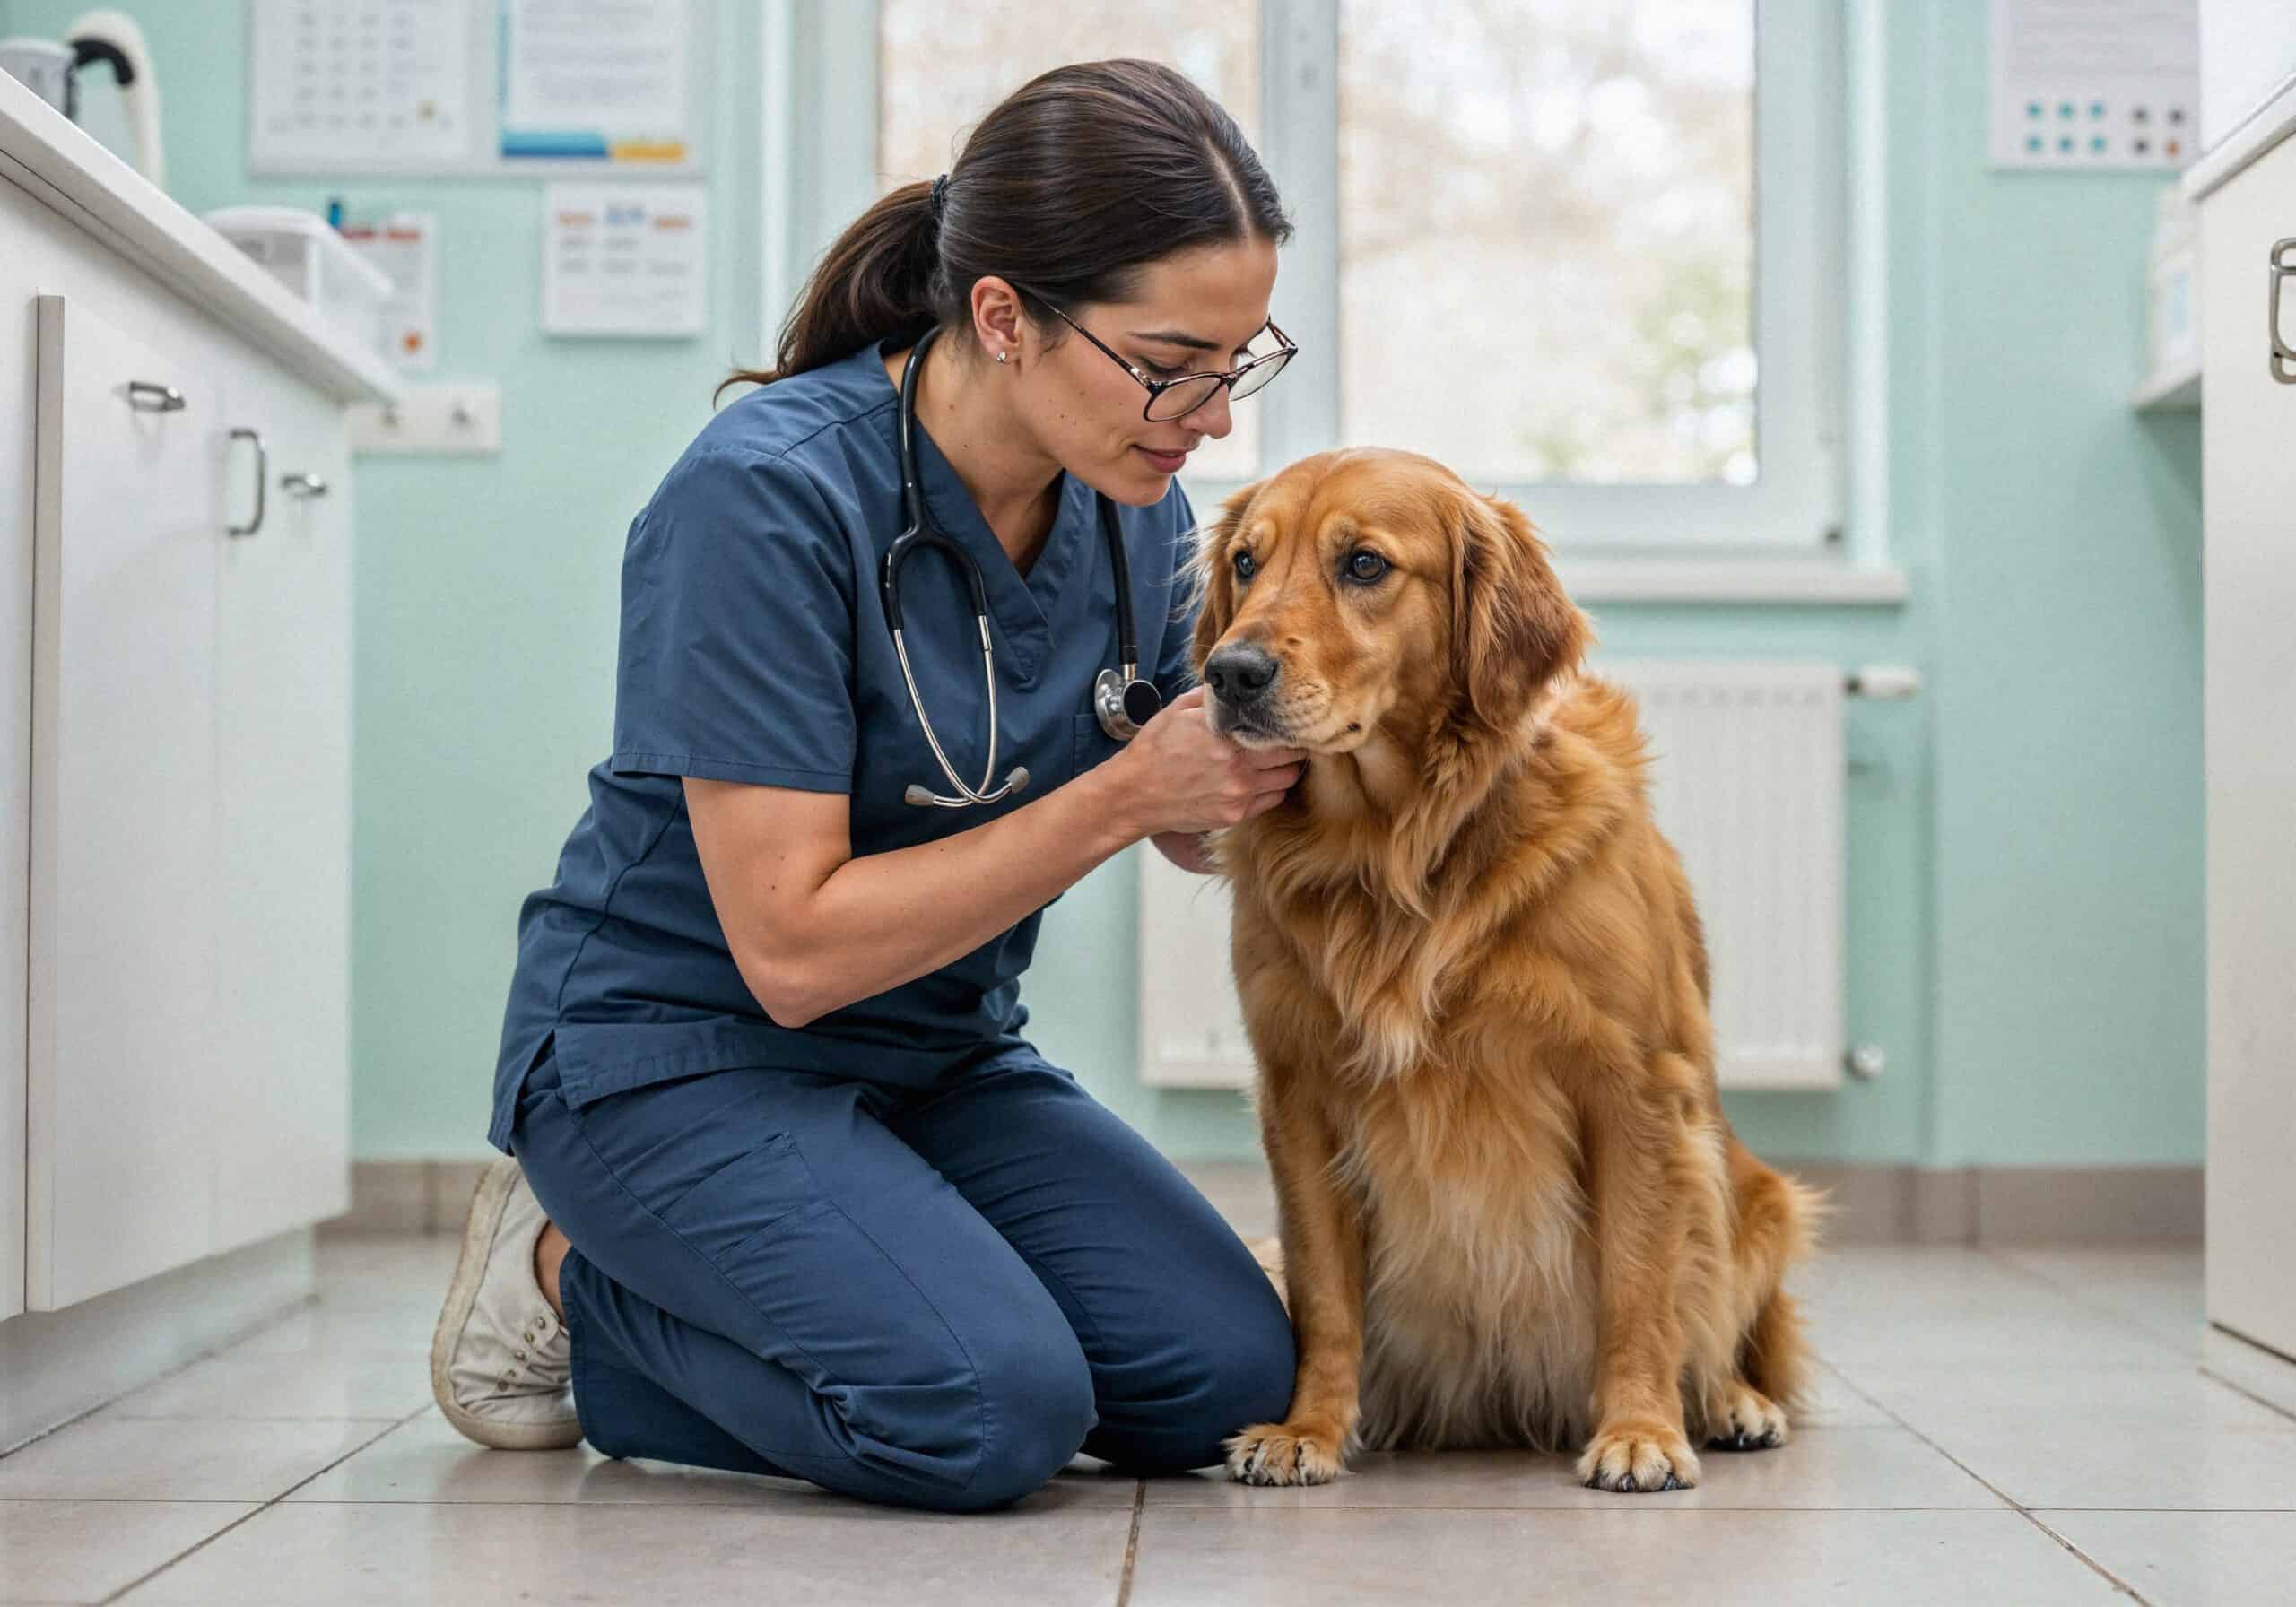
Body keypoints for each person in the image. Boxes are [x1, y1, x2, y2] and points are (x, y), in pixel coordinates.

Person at [428, 59, 1309, 1514]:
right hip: (675, 1056)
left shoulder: (1138, 509)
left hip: (936, 1053)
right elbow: (788, 950)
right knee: (983, 1414)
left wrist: (1287, 766)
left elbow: (1191, 825)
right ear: (1004, 314)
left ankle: (862, 1262)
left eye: (1239, 360)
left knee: (1221, 1380)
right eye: (1171, 362)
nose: (1209, 414)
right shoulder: (765, 496)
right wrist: (1119, 798)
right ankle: (571, 1278)